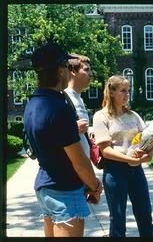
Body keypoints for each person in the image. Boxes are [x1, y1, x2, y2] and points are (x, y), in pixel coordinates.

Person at [24, 43, 103, 237]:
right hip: (65, 189)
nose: (70, 71)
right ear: (60, 71)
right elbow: (79, 161)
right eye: (68, 67)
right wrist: (94, 186)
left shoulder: (33, 104)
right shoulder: (59, 108)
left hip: (45, 187)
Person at [92, 75, 153, 238]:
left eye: (128, 91)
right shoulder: (101, 116)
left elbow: (151, 141)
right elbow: (105, 150)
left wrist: (149, 153)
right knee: (118, 219)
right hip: (115, 172)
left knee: (145, 216)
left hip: (137, 171)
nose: (127, 94)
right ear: (111, 92)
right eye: (123, 91)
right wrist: (132, 159)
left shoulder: (133, 116)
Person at [64, 54, 93, 158]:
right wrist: (74, 129)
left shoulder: (79, 99)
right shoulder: (63, 97)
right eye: (86, 70)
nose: (91, 74)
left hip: (83, 165)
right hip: (70, 167)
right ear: (72, 71)